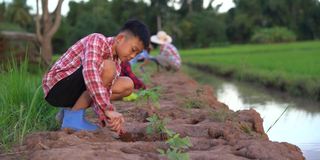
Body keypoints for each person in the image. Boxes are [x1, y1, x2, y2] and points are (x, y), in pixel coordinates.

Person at [42, 19, 150, 134]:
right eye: (133, 50)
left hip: (73, 89)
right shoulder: (97, 39)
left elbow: (103, 91)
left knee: (127, 85)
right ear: (120, 38)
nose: (133, 56)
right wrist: (107, 109)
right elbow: (90, 71)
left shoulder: (117, 64)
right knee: (108, 67)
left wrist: (109, 117)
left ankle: (68, 113)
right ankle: (73, 120)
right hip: (57, 87)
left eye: (137, 54)